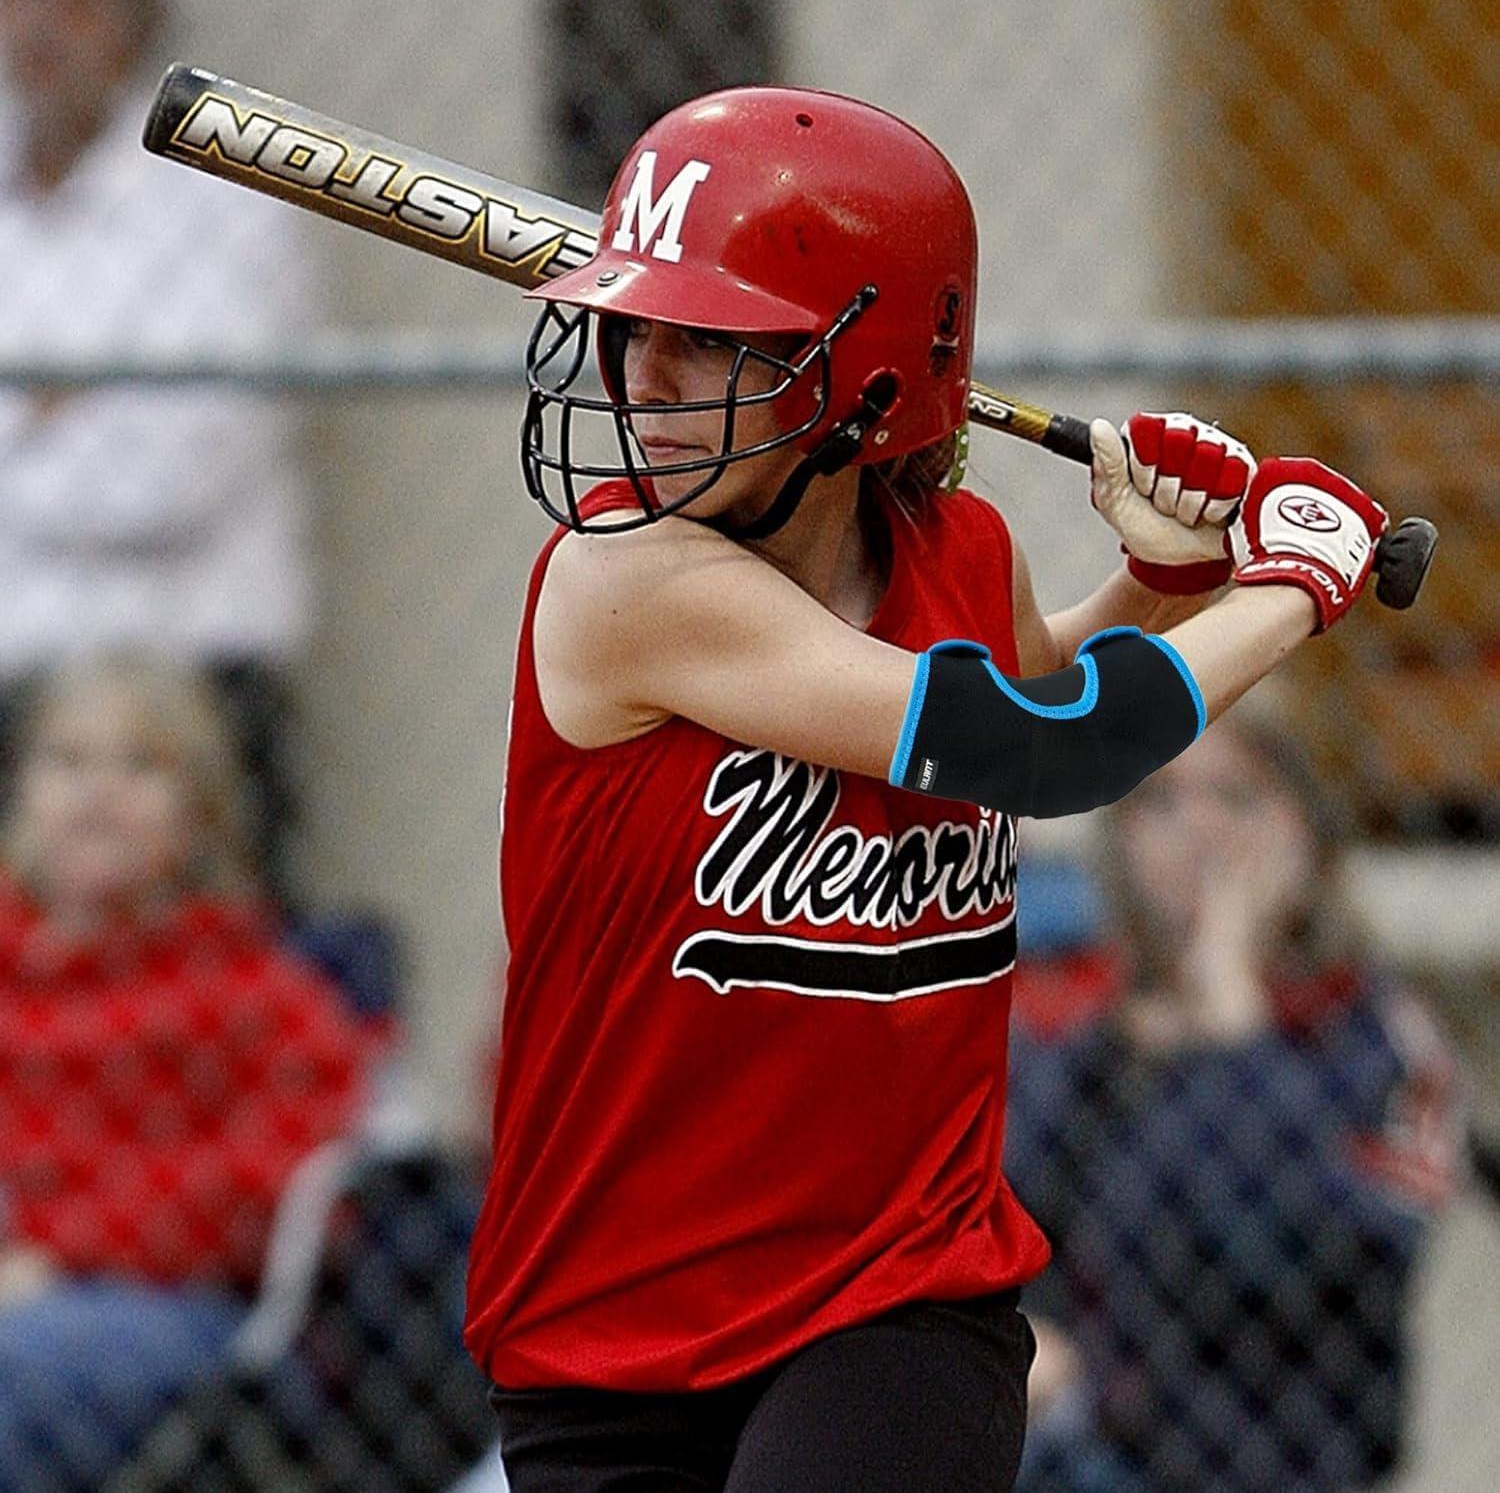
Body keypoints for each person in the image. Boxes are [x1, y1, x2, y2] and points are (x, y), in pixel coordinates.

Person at [462, 86, 1393, 1492]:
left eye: (711, 342)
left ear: (871, 377)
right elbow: (1039, 746)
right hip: (606, 1316)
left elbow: (1043, 695)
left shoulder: (959, 550)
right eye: (630, 327)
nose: (641, 379)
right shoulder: (624, 585)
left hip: (895, 1290)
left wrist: (1162, 578)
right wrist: (1293, 588)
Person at [1006, 709, 1462, 1491]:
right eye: (1161, 802)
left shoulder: (1370, 1034)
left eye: (1238, 797)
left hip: (1291, 1458)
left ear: (1307, 834)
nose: (1202, 829)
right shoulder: (1095, 1042)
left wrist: (1233, 1019)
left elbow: (1302, 1257)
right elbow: (1025, 1226)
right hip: (1101, 1454)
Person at [0, 655, 376, 1493]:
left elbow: (267, 1191)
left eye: (140, 764)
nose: (98, 791)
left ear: (201, 811)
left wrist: (55, 1252)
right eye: (67, 760)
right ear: (22, 791)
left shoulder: (258, 995)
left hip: (169, 1310)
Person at [0, 0, 322, 902]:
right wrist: (75, 401)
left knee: (211, 983)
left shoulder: (225, 192)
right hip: (12, 669)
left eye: (77, 4)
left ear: (138, 20)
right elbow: (132, 440)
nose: (41, 29)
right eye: (19, 0)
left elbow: (171, 474)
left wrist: (30, 412)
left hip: (200, 671)